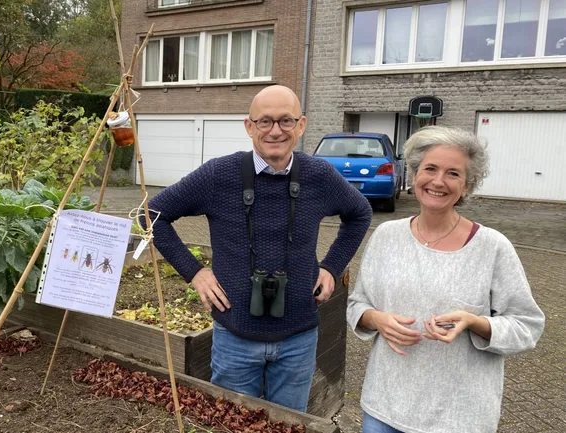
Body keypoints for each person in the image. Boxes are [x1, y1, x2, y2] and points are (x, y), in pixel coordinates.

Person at [144, 85, 372, 411]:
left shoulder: (318, 176)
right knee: (232, 423)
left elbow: (360, 213)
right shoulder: (219, 175)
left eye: (286, 120)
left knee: (288, 425)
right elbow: (151, 215)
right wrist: (194, 272)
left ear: (301, 125)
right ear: (249, 126)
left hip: (299, 339)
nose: (275, 131)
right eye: (265, 121)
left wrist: (332, 266)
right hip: (234, 338)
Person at [347, 126, 545, 433]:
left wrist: (476, 322)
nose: (438, 181)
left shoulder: (492, 247)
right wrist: (376, 319)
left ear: (467, 185)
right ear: (414, 175)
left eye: (453, 173)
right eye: (430, 169)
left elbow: (527, 325)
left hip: (458, 417)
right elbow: (357, 303)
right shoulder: (386, 236)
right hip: (384, 408)